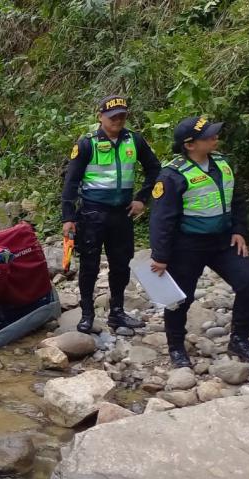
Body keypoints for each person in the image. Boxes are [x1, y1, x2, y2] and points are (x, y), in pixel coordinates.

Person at [149, 116, 249, 367]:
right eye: (208, 136)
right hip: (187, 246)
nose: (215, 137)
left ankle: (239, 338)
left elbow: (236, 199)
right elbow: (162, 219)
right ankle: (176, 347)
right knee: (180, 299)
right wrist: (160, 257)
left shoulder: (222, 164)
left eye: (214, 133)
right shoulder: (172, 175)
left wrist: (240, 230)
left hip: (223, 242)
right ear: (190, 145)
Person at [62, 95, 161, 333]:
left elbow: (154, 168)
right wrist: (68, 218)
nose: (118, 120)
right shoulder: (88, 143)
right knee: (89, 265)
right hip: (92, 214)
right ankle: (87, 314)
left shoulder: (134, 140)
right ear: (101, 117)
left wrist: (141, 198)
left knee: (120, 265)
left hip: (122, 214)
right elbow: (71, 181)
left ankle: (117, 312)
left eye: (122, 116)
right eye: (112, 116)